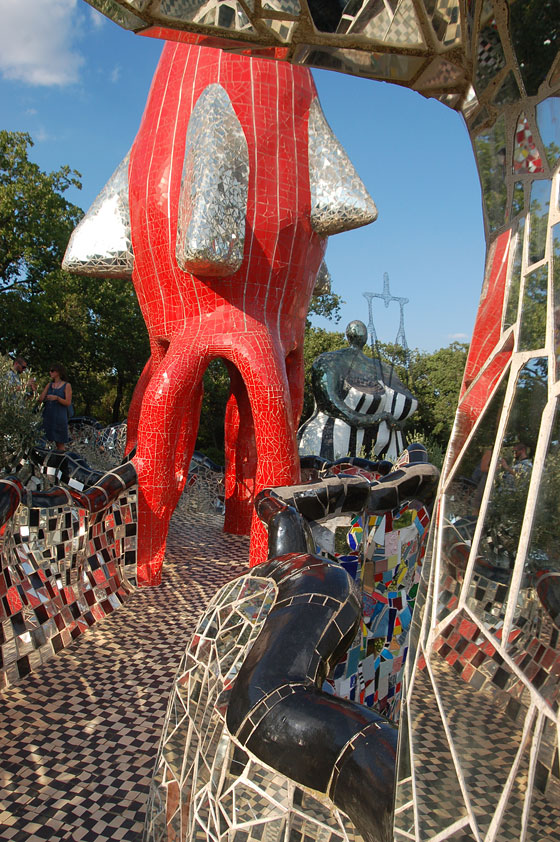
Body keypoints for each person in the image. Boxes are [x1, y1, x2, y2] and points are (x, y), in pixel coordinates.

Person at [38, 364, 72, 451]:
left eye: (52, 370)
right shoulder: (49, 385)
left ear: (58, 372)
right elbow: (40, 399)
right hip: (47, 417)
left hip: (59, 418)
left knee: (60, 444)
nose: (50, 372)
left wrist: (57, 398)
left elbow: (68, 402)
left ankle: (61, 462)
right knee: (40, 441)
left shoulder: (67, 385)